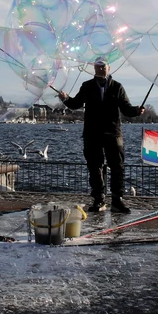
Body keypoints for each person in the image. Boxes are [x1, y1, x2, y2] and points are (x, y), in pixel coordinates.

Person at [57, 58, 144, 214]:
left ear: (109, 68)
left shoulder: (117, 87)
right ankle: (99, 199)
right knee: (95, 167)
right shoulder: (87, 86)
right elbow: (76, 103)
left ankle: (117, 201)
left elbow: (126, 109)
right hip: (92, 133)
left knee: (117, 167)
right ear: (94, 69)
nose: (101, 69)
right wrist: (65, 99)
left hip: (113, 133)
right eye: (98, 66)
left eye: (104, 66)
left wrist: (137, 110)